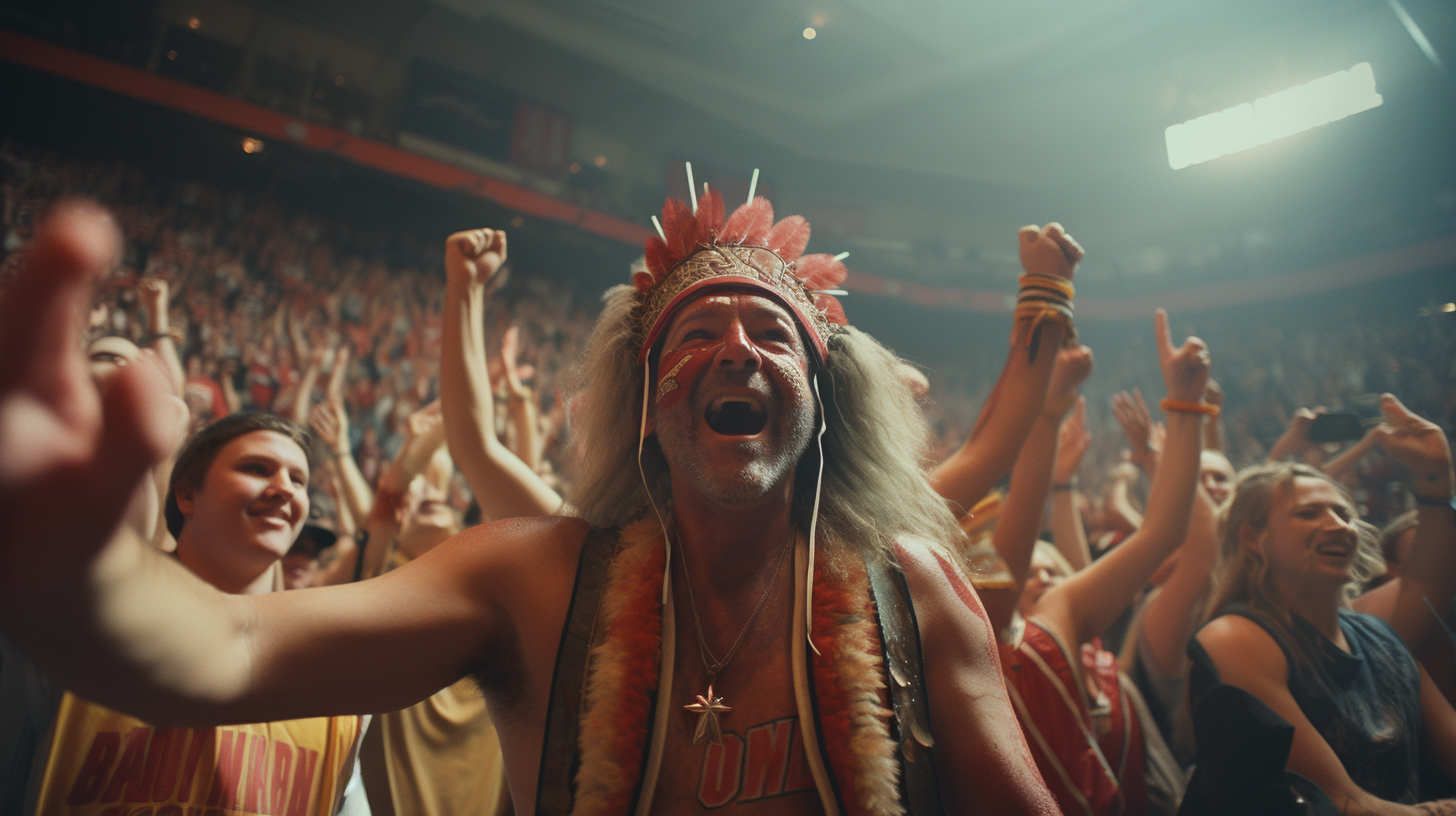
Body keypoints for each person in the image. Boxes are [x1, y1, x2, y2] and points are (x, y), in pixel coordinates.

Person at [0, 196, 1070, 814]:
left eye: (770, 333)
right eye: (695, 334)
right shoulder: (535, 579)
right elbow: (226, 642)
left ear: (825, 404)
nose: (735, 346)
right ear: (647, 409)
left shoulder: (912, 593)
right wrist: (80, 586)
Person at [1, 410, 365, 815]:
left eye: (298, 479)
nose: (284, 488)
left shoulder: (334, 680)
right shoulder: (77, 624)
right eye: (257, 468)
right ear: (186, 494)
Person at [980, 312, 1210, 815]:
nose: (1043, 575)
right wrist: (1047, 413)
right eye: (1030, 569)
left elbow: (1165, 529)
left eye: (1055, 568)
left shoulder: (1078, 635)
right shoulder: (993, 651)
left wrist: (1186, 407)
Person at [1191, 420, 1456, 814]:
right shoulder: (1235, 637)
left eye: (1343, 513)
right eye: (1310, 513)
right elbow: (1344, 803)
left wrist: (1435, 475)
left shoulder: (1380, 636)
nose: (1338, 526)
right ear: (1252, 538)